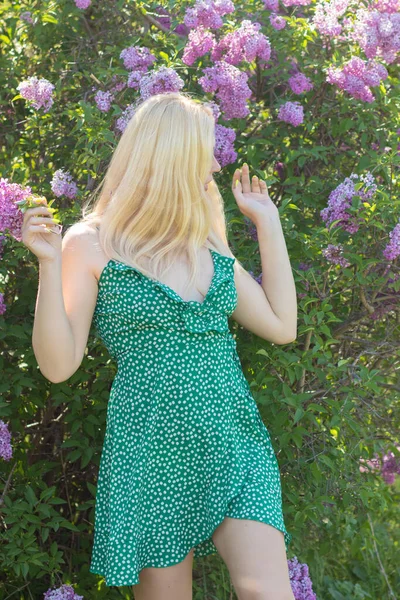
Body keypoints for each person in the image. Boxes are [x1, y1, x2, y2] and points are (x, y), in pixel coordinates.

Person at [23, 92, 297, 600]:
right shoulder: (90, 243)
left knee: (268, 592)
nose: (217, 163)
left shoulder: (207, 244)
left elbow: (282, 325)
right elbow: (59, 366)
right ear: (175, 156)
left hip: (234, 443)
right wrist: (47, 265)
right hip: (152, 451)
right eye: (207, 151)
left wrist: (268, 224)